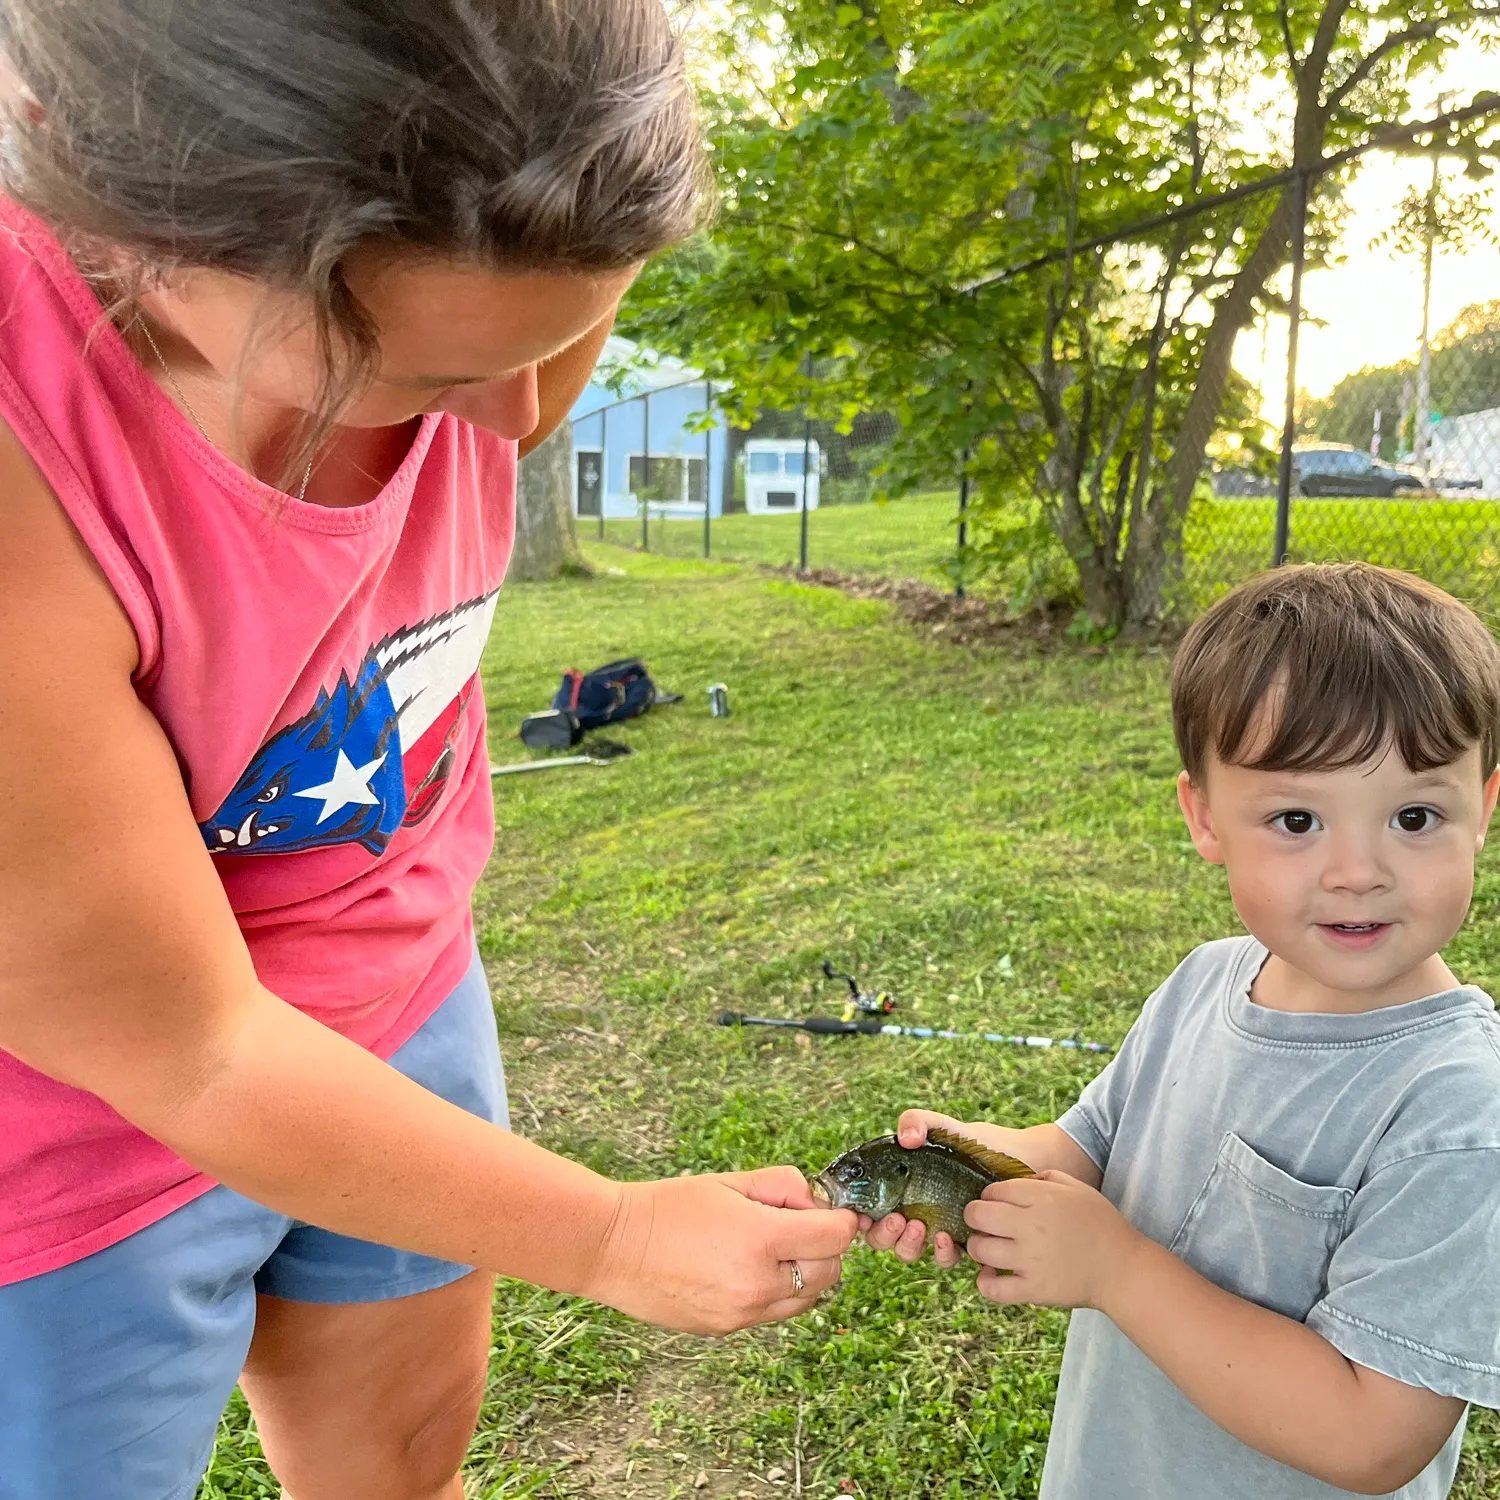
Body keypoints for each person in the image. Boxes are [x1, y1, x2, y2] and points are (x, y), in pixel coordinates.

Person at [0, 4, 857, 1498]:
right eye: (408, 369)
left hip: (400, 978)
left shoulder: (503, 302)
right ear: (120, 218)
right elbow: (191, 1049)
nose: (513, 424)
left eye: (567, 327)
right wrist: (604, 1235)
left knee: (399, 1470)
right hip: (67, 1132)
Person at [869, 562, 1500, 1499]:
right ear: (1205, 817)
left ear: (1484, 808)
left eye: (1415, 815)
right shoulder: (1207, 979)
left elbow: (1375, 1436)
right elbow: (1085, 1148)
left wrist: (1118, 1271)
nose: (1358, 870)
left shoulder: (1457, 1114)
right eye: (1297, 818)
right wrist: (965, 1164)